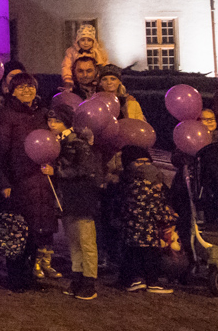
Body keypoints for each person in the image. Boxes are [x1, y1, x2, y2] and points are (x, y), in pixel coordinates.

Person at [0, 71, 58, 291]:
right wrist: (4, 183)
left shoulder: (42, 113)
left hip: (39, 178)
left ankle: (29, 275)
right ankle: (15, 277)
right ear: (12, 91)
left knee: (35, 230)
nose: (27, 91)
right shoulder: (7, 115)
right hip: (18, 179)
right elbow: (0, 153)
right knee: (17, 230)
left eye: (30, 86)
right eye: (21, 87)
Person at [48, 104, 102, 300]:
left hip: (82, 197)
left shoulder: (77, 143)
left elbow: (86, 169)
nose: (52, 124)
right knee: (73, 241)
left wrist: (58, 172)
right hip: (66, 197)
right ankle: (77, 276)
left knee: (86, 241)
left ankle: (89, 281)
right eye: (50, 120)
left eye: (57, 121)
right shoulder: (56, 142)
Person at [116, 145, 180, 293]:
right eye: (139, 162)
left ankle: (133, 280)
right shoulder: (149, 189)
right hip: (147, 231)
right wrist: (169, 218)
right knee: (149, 258)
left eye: (147, 161)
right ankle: (151, 282)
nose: (144, 166)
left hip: (132, 230)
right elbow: (156, 209)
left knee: (133, 256)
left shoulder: (130, 185)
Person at [60, 24, 109, 88]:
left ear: (93, 41)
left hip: (95, 81)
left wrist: (101, 78)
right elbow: (66, 66)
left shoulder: (98, 52)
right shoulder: (71, 52)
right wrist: (67, 79)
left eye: (89, 40)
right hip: (76, 81)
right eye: (83, 40)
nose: (86, 43)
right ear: (78, 41)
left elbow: (104, 66)